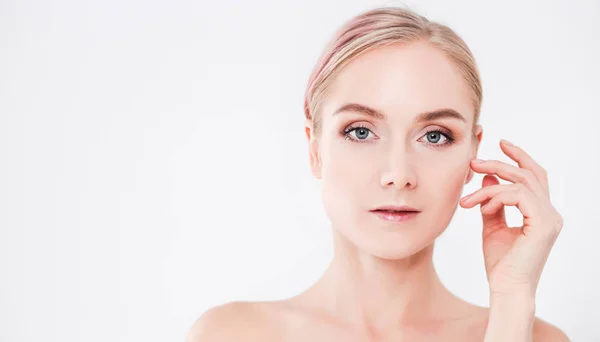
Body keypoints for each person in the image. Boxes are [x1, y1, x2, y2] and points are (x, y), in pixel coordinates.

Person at [187, 6, 568, 341]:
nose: (398, 174)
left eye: (434, 136)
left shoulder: (531, 335)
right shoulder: (229, 335)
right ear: (314, 148)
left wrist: (512, 301)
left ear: (472, 150)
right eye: (361, 131)